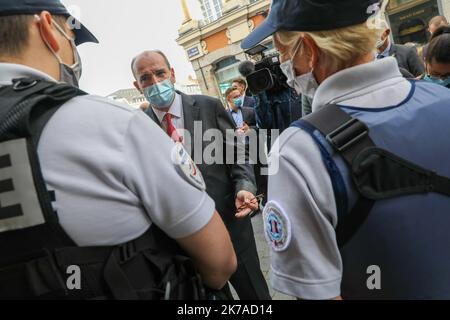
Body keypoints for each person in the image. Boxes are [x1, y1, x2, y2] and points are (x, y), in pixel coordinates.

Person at [0, 0, 237, 299]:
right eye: (72, 40)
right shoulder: (111, 124)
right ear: (48, 28)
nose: (74, 54)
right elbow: (219, 263)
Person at [242, 0, 450, 300]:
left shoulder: (299, 152)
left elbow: (319, 294)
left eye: (283, 51)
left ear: (309, 50)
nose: (284, 64)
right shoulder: (440, 98)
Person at [131, 50, 271, 300]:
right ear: (137, 85)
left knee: (254, 293)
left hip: (230, 222)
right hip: (185, 238)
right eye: (145, 78)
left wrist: (245, 186)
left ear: (172, 74)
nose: (154, 82)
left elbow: (236, 154)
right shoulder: (138, 126)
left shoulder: (208, 106)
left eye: (160, 73)